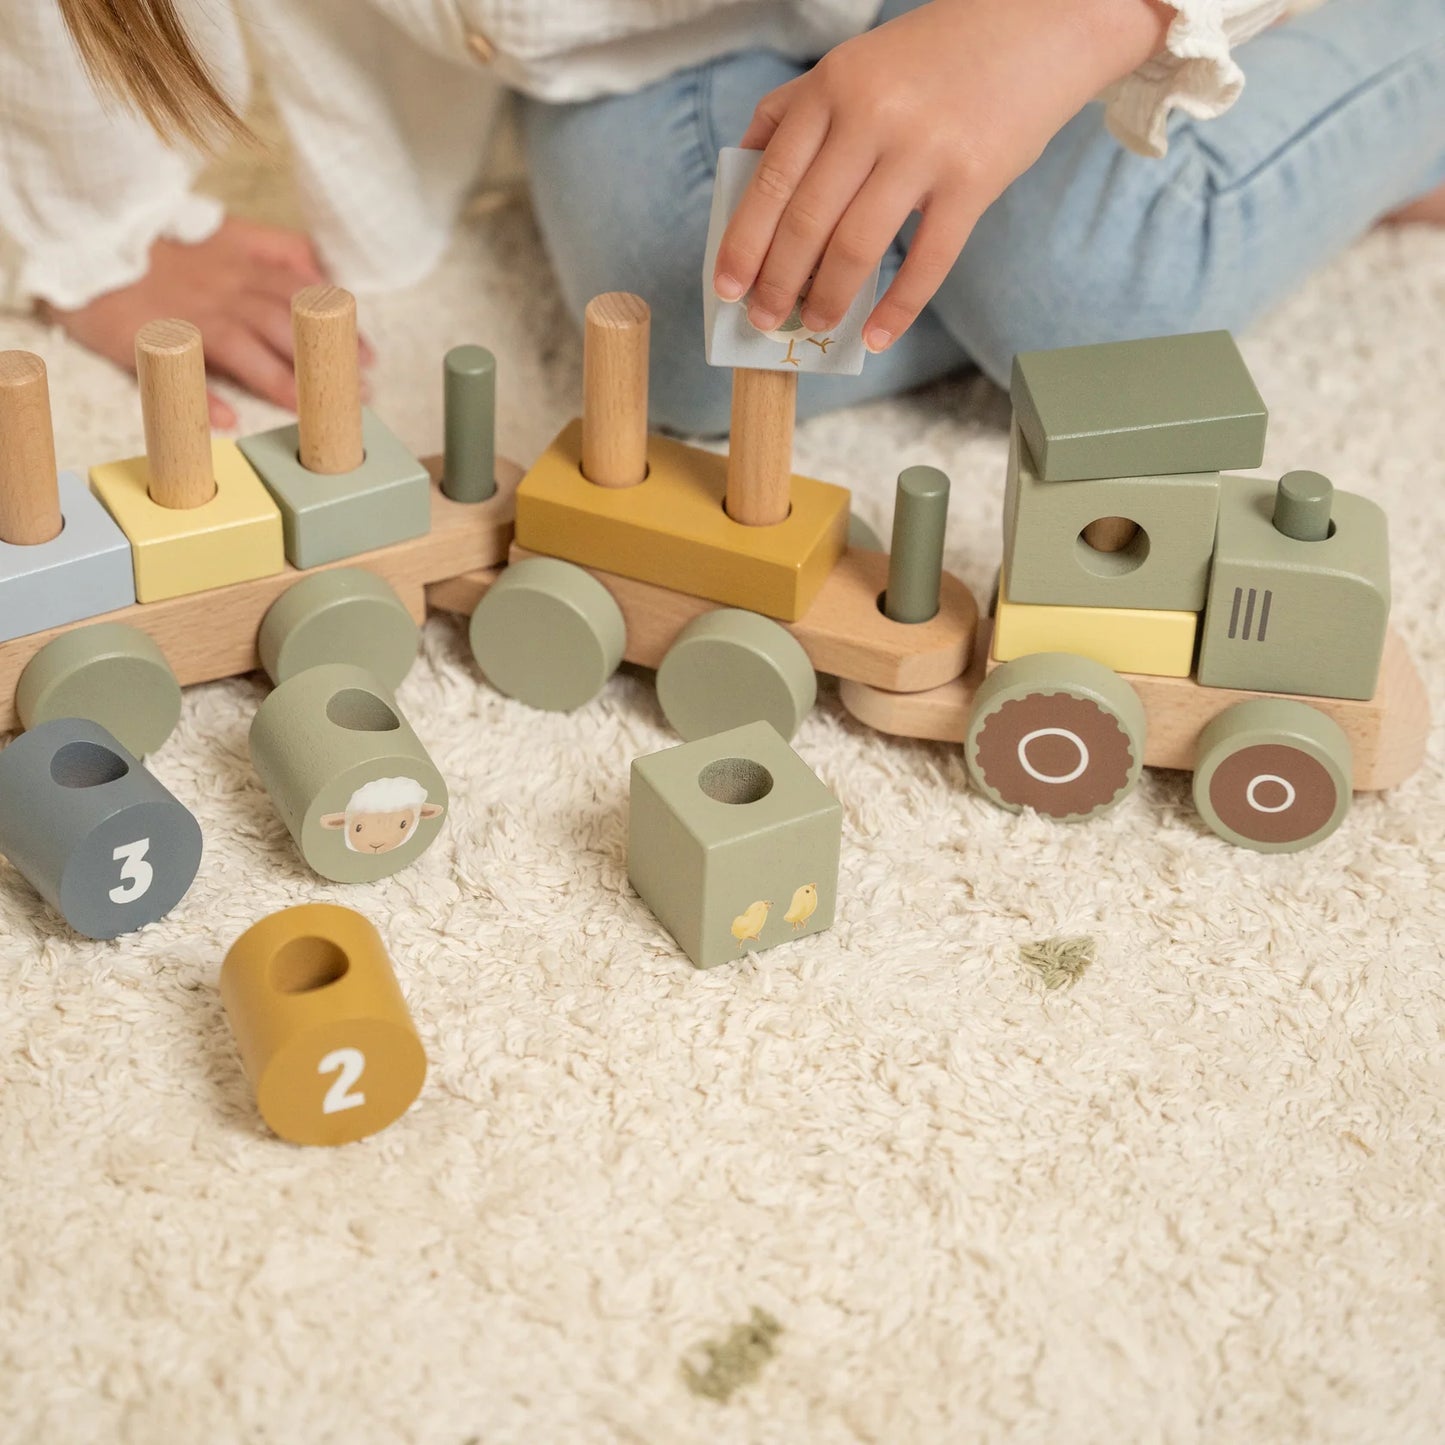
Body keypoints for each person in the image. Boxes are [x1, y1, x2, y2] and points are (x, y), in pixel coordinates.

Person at [3, 0, 1443, 435]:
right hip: (668, 35)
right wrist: (102, 230)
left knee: (1083, 301)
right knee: (697, 349)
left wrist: (1067, 26)